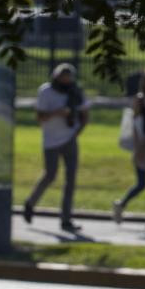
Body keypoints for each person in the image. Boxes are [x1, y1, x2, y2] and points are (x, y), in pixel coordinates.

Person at [23, 62, 91, 233]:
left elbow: (85, 115)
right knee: (50, 175)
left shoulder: (76, 92)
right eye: (63, 78)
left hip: (69, 139)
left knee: (70, 181)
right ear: (56, 77)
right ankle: (30, 203)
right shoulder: (46, 91)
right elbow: (40, 118)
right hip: (51, 141)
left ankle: (66, 219)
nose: (66, 81)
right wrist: (57, 113)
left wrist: (77, 132)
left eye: (69, 78)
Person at [112, 69, 145, 232]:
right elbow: (136, 125)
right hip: (142, 144)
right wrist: (138, 147)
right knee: (142, 183)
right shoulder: (139, 101)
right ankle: (121, 204)